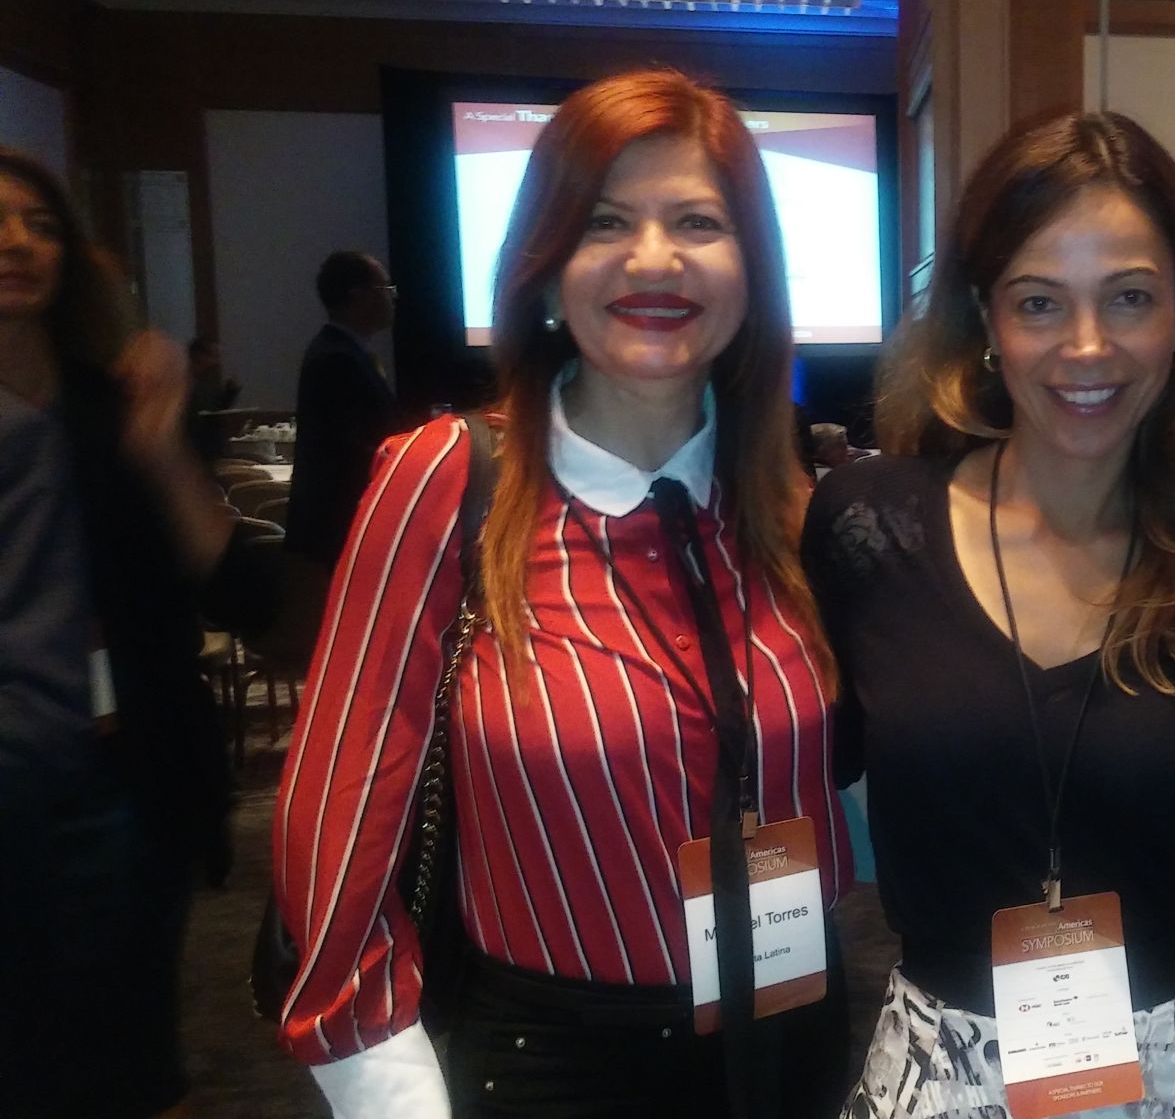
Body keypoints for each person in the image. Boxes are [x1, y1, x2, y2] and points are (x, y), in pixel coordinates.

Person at [272, 68, 853, 1118]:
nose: (654, 258)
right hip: (557, 1061)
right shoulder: (450, 478)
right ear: (545, 273)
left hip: (791, 1034)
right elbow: (340, 796)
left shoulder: (789, 509)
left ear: (752, 273)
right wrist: (380, 1082)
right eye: (604, 222)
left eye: (697, 222)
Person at [804, 111, 1175, 1118]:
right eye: (1038, 302)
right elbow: (794, 762)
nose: (1086, 345)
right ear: (985, 320)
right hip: (939, 1073)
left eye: (1129, 297)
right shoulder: (869, 530)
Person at [0, 147, 255, 1118]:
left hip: (119, 772)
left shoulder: (112, 409)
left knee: (135, 1053)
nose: (18, 243)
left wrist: (160, 445)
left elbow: (231, 589)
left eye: (40, 224)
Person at [285, 249, 399, 567]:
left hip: (335, 526)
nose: (393, 298)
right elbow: (350, 449)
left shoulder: (341, 351)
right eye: (386, 289)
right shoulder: (337, 358)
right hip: (339, 528)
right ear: (358, 296)